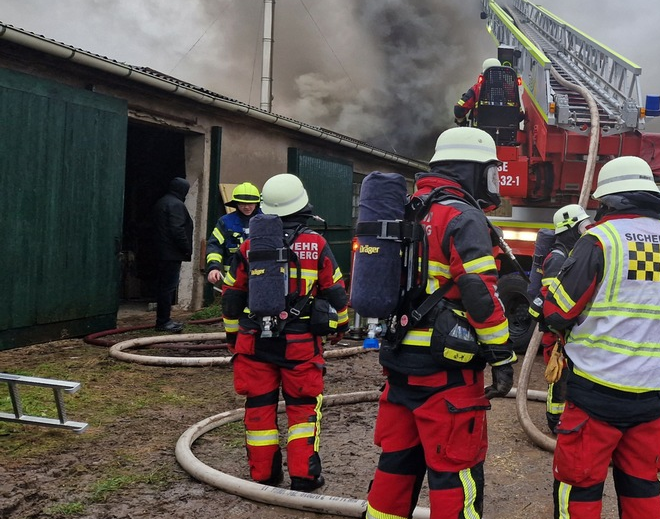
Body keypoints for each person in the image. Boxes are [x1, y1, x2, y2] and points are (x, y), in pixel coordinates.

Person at [365, 127, 517, 519]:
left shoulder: (408, 207)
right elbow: (479, 292)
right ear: (470, 170)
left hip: (399, 363)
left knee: (396, 464)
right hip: (446, 373)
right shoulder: (462, 215)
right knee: (455, 474)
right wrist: (501, 356)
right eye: (489, 170)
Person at [542, 156, 660, 519]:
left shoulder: (600, 240)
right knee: (642, 493)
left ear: (608, 200)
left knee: (578, 490)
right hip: (652, 396)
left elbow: (558, 313)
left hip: (596, 392)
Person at [220, 173, 349, 491]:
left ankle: (263, 475)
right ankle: (305, 477)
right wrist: (341, 324)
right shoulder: (315, 243)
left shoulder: (250, 245)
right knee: (303, 409)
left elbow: (232, 297)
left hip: (254, 344)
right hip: (300, 344)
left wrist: (232, 337)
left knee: (259, 410)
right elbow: (335, 290)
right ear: (302, 206)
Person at [535, 203, 592, 432]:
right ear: (570, 230)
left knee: (568, 374)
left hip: (563, 329)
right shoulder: (557, 258)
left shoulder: (569, 254)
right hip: (555, 331)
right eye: (581, 228)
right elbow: (551, 298)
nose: (585, 232)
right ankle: (554, 419)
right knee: (558, 375)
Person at [148, 176, 194, 333]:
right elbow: (177, 229)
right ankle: (164, 321)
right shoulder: (176, 205)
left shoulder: (162, 202)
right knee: (168, 288)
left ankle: (163, 320)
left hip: (161, 252)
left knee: (163, 287)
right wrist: (186, 248)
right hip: (171, 254)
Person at [205, 182, 262, 287]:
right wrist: (214, 268)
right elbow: (214, 246)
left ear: (257, 203)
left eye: (250, 204)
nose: (246, 207)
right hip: (233, 279)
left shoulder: (266, 222)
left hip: (261, 276)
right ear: (236, 204)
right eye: (242, 204)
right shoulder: (225, 222)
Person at [453, 58, 503, 126]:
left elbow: (458, 109)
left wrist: (462, 122)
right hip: (507, 132)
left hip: (480, 132)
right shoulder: (510, 88)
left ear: (483, 73)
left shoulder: (476, 89)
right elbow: (520, 115)